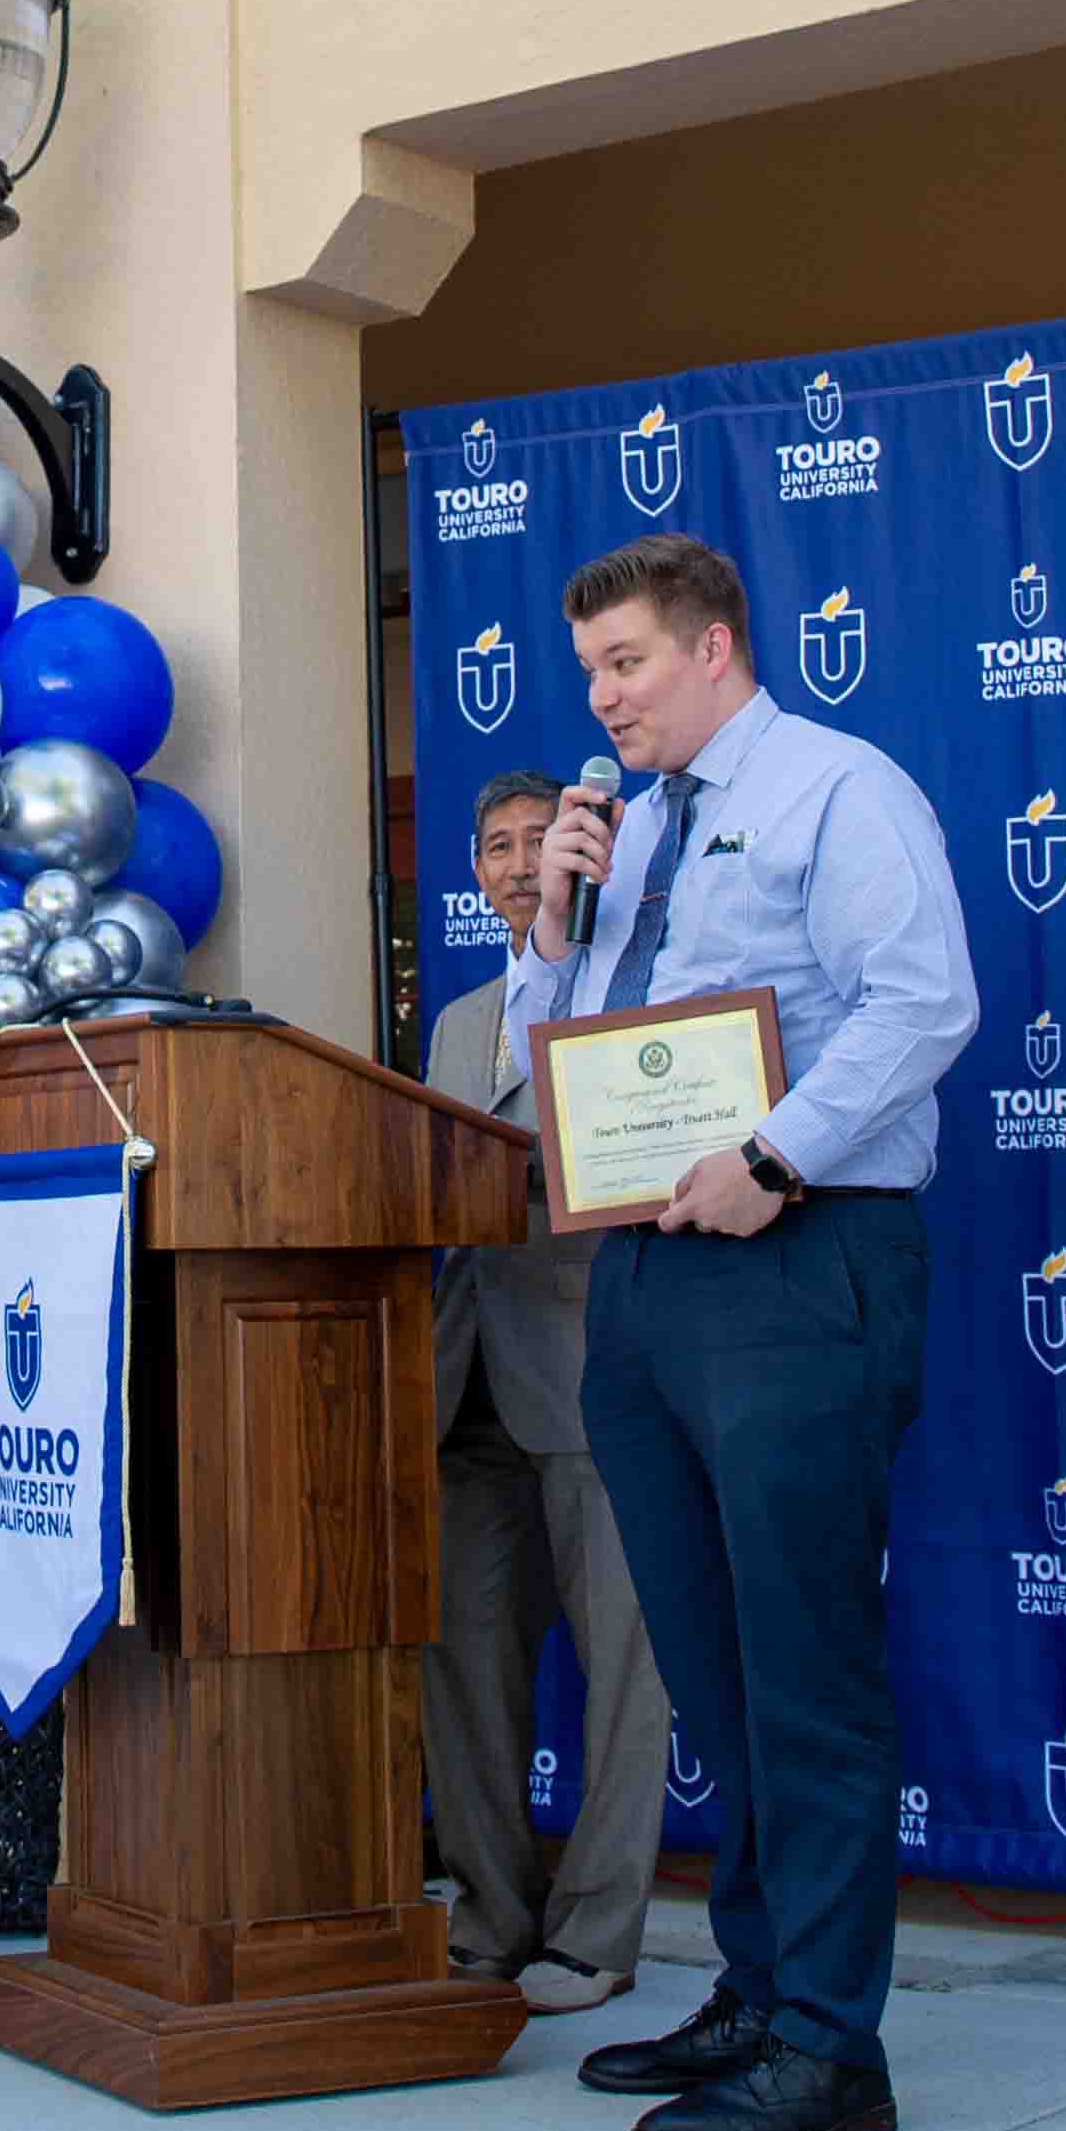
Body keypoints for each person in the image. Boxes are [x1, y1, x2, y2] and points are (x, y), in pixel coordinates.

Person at [504, 533, 974, 2131]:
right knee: (710, 1663)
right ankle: (762, 1988)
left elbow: (921, 1001)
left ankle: (832, 2045)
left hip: (799, 1254)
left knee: (804, 1665)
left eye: (624, 662)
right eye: (587, 673)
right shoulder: (622, 833)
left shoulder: (844, 791)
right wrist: (546, 926)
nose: (602, 698)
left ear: (714, 648)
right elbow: (554, 1061)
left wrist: (775, 1155)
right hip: (643, 1277)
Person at [417, 766, 670, 2018]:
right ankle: (489, 1915)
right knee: (461, 1661)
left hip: (589, 1370)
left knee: (628, 1667)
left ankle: (600, 1929)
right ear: (474, 872)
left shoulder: (641, 987)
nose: (520, 864)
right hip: (460, 1379)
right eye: (497, 845)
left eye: (540, 842)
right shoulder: (458, 1017)